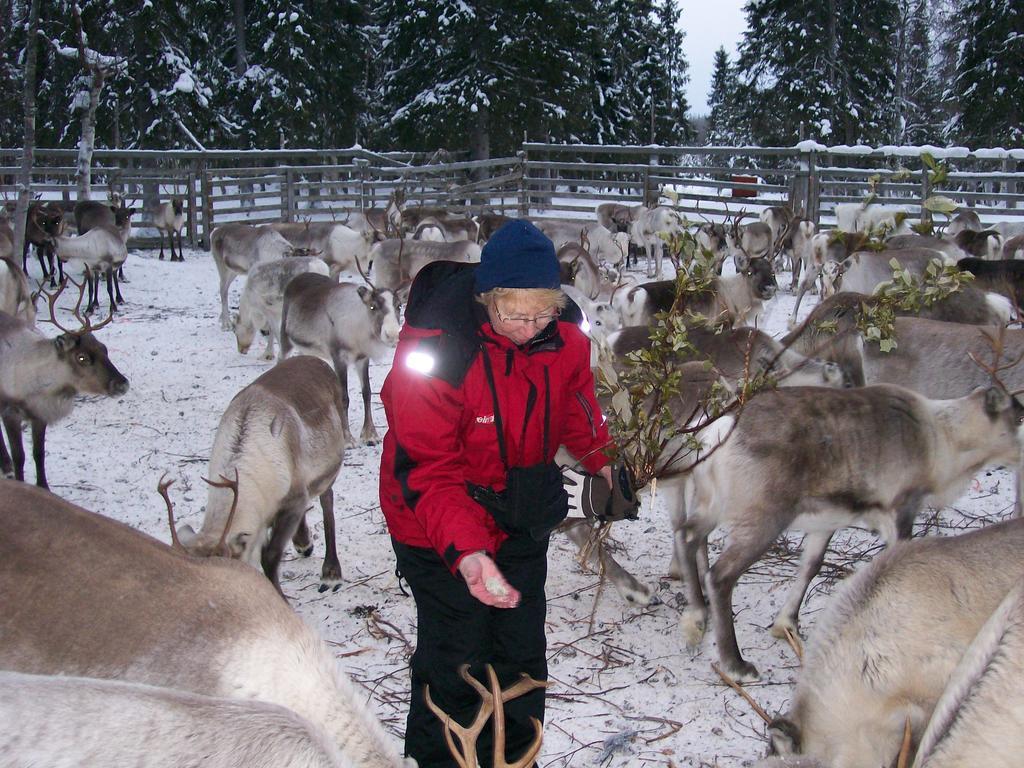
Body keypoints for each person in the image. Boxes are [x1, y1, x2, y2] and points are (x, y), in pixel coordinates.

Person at [379, 219, 615, 767]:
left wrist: (603, 465)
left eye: (542, 313)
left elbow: (578, 407)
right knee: (458, 655)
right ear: (489, 299)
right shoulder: (437, 348)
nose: (529, 328)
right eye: (515, 313)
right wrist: (468, 554)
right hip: (432, 522)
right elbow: (428, 468)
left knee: (520, 656)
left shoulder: (565, 339)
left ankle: (514, 760)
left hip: (520, 512)